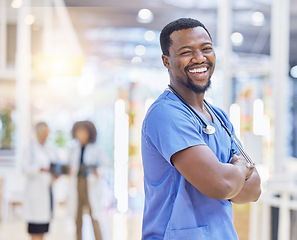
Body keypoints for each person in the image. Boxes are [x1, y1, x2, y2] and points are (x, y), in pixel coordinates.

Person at [141, 18, 262, 240]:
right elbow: (221, 185)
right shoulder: (166, 114)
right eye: (187, 52)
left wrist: (232, 177)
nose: (199, 58)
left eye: (206, 49)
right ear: (166, 61)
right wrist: (240, 169)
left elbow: (254, 190)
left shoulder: (220, 117)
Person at [67, 120, 103, 240]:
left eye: (83, 132)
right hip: (77, 183)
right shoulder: (73, 148)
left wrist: (98, 172)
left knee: (94, 215)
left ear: (89, 133)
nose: (80, 135)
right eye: (78, 132)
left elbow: (104, 166)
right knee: (77, 217)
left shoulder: (97, 148)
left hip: (90, 184)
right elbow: (69, 166)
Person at [23, 122, 59, 240]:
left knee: (43, 229)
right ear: (37, 133)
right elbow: (25, 168)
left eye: (47, 134)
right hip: (35, 194)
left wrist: (55, 174)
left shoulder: (49, 149)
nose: (45, 136)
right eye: (44, 133)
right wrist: (40, 168)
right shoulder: (30, 149)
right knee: (35, 229)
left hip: (47, 192)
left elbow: (52, 168)